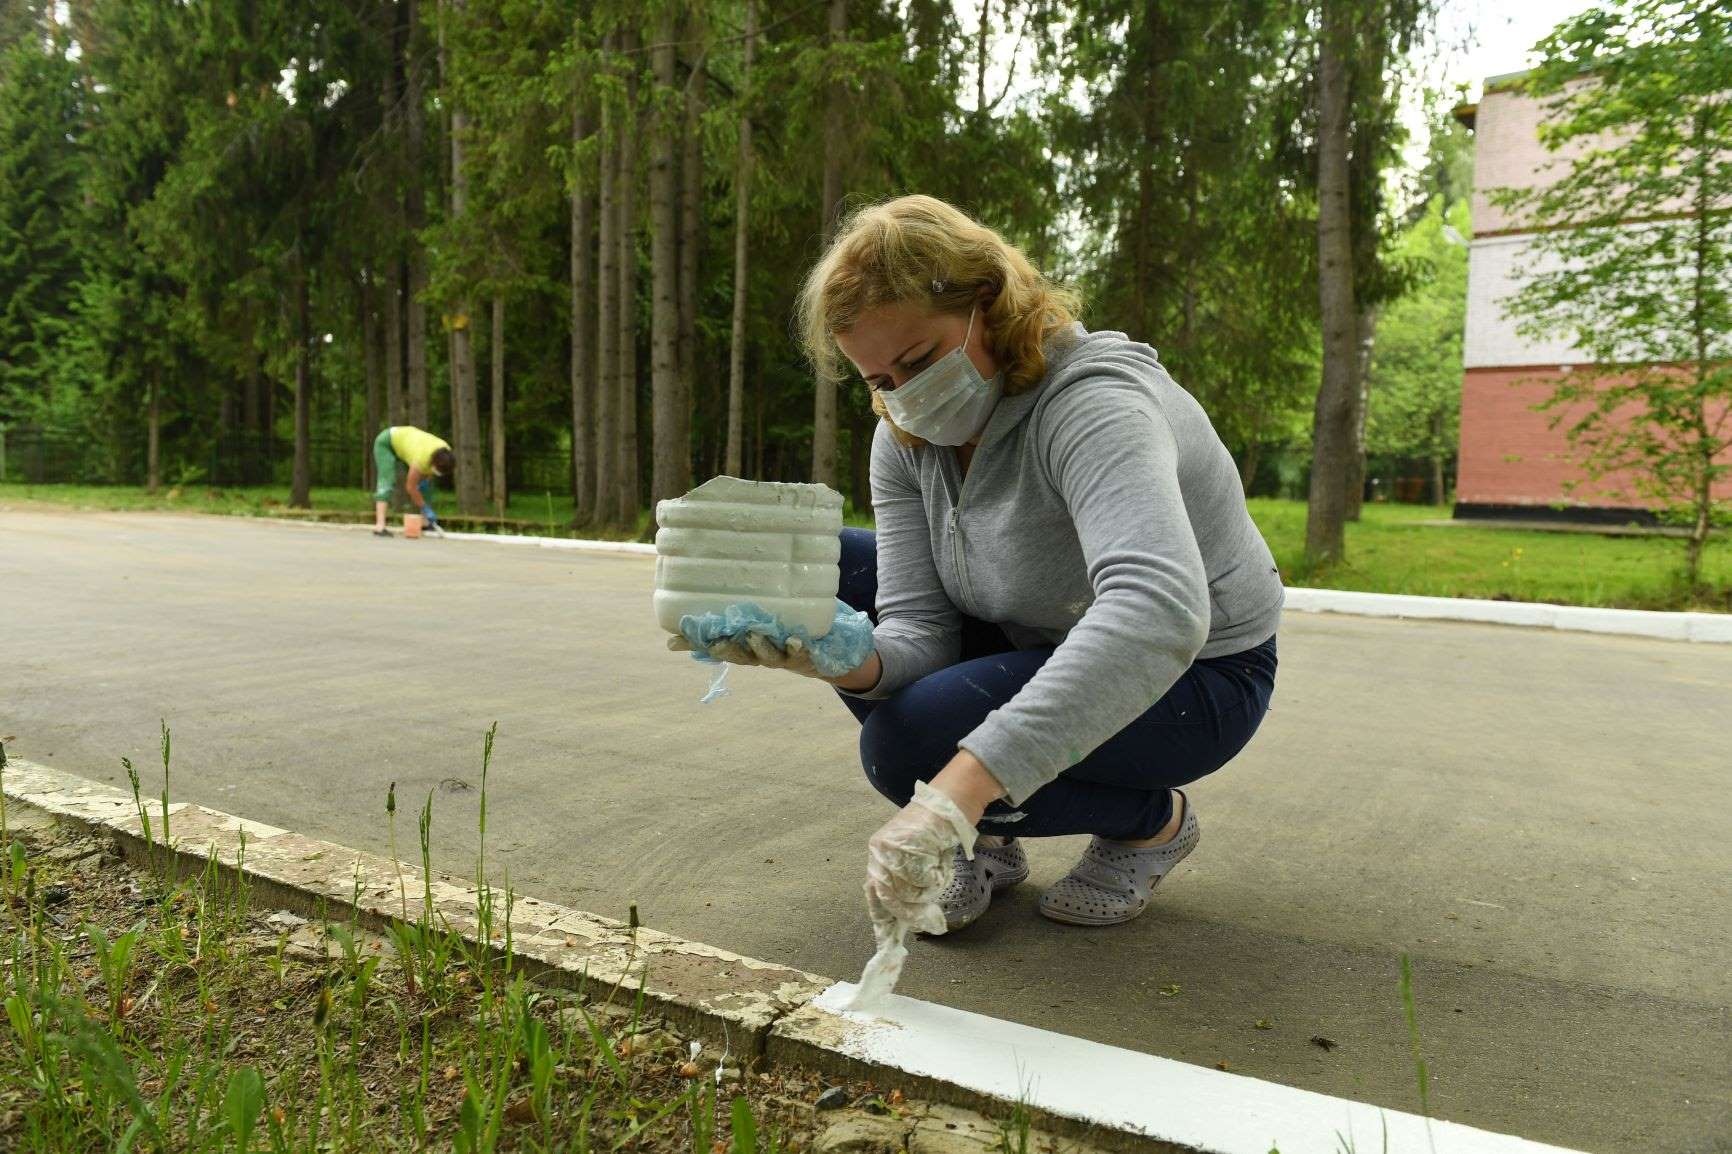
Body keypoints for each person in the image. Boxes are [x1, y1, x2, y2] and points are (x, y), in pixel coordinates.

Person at [690, 194, 1284, 944]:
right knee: (822, 566)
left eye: (918, 361)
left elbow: (1156, 611)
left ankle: (1150, 823)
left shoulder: (1095, 404)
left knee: (906, 748)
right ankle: (992, 840)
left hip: (1199, 676)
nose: (904, 397)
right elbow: (921, 633)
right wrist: (840, 658)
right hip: (1036, 635)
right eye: (878, 380)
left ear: (989, 305)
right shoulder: (906, 434)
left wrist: (954, 793)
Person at [371, 425, 454, 537]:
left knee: (426, 486)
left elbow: (430, 472)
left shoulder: (445, 452)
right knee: (387, 481)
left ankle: (426, 523)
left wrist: (425, 482)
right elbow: (410, 487)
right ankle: (380, 525)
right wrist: (425, 507)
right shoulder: (421, 458)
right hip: (388, 442)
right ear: (433, 462)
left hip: (407, 445)